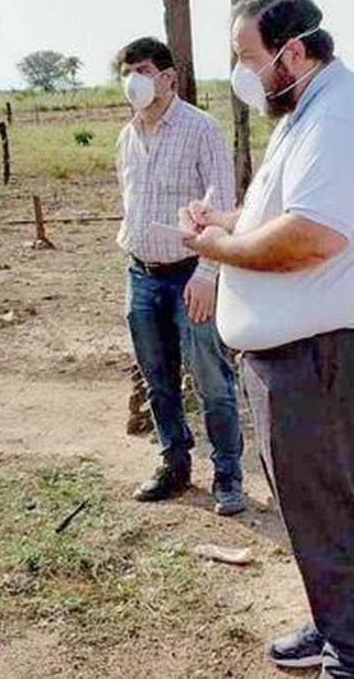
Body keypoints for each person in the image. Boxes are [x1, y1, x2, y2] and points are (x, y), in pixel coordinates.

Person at [181, 0, 354, 678]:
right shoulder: (306, 111)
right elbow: (280, 210)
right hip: (302, 355)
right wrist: (228, 223)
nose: (241, 73)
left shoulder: (340, 120)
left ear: (293, 52)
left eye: (248, 58)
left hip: (323, 357)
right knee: (314, 510)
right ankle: (335, 622)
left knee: (332, 511)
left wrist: (215, 251)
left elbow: (309, 237)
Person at [112, 36, 245, 516]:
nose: (135, 81)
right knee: (158, 380)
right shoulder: (128, 136)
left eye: (144, 70)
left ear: (169, 77)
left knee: (211, 378)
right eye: (127, 71)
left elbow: (221, 203)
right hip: (141, 275)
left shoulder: (201, 129)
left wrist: (209, 271)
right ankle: (174, 464)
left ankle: (227, 474)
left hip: (191, 275)